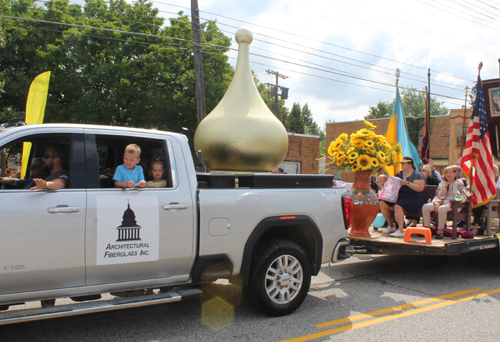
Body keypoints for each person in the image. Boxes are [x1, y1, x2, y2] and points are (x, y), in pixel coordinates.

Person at [380, 157, 425, 237]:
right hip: (399, 198)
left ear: (410, 163)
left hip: (413, 199)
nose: (401, 165)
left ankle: (401, 230)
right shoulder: (399, 174)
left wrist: (407, 183)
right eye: (401, 163)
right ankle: (391, 226)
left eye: (403, 163)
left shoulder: (417, 175)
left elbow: (420, 188)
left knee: (398, 206)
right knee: (383, 203)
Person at [422, 166, 468, 239]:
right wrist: (436, 203)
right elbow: (436, 196)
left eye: (450, 173)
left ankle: (440, 231)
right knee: (426, 207)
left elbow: (465, 195)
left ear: (455, 174)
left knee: (442, 209)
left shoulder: (459, 183)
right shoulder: (442, 184)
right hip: (440, 203)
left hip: (452, 204)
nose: (448, 175)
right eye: (447, 173)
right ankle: (427, 230)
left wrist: (458, 198)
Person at [0, 145, 69, 190]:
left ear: (56, 159)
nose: (42, 159)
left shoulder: (63, 174)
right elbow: (15, 182)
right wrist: (2, 179)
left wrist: (46, 184)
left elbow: (60, 184)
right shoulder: (42, 177)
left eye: (46, 156)